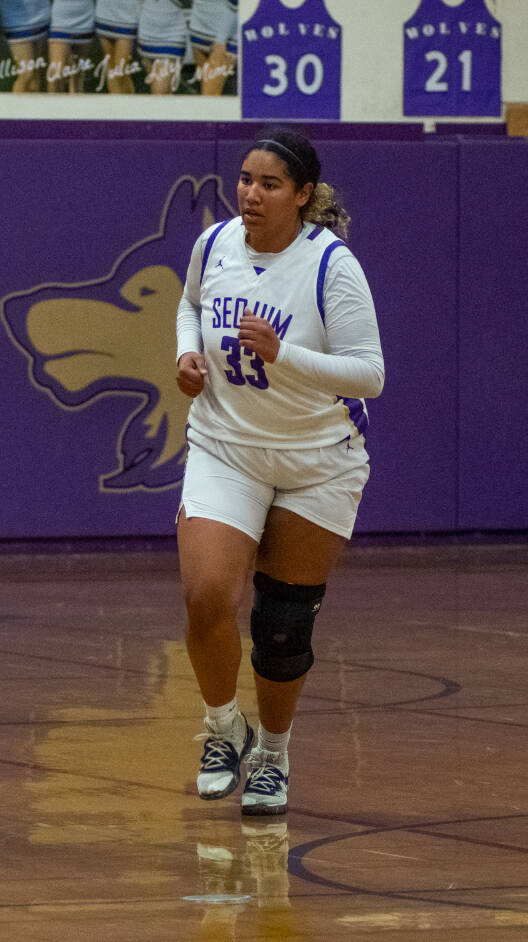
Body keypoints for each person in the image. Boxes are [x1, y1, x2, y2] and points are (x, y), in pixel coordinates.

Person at [174, 129, 384, 815]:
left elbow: (370, 375)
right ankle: (220, 728)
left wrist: (284, 354)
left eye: (268, 184)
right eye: (244, 179)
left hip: (316, 460)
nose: (250, 194)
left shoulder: (331, 266)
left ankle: (273, 753)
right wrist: (186, 354)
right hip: (225, 444)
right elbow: (191, 304)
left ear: (302, 195)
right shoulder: (214, 245)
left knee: (284, 627)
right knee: (208, 596)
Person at [189, 0, 237, 95]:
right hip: (198, 30)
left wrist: (221, 40)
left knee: (209, 96)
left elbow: (236, 5)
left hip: (225, 35)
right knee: (206, 93)